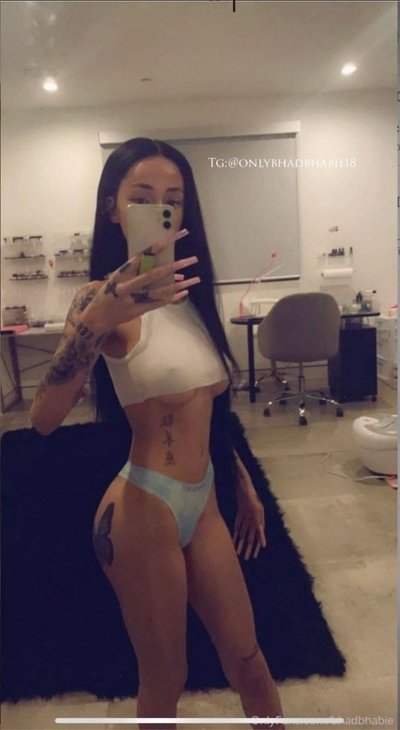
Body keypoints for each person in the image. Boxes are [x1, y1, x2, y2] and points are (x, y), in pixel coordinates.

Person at [30, 137, 285, 730]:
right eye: (141, 198)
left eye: (173, 199)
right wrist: (98, 319)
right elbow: (43, 418)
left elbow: (207, 408)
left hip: (206, 498)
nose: (159, 210)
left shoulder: (192, 295)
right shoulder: (97, 299)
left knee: (248, 659)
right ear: (113, 209)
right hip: (144, 506)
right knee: (165, 678)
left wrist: (243, 484)